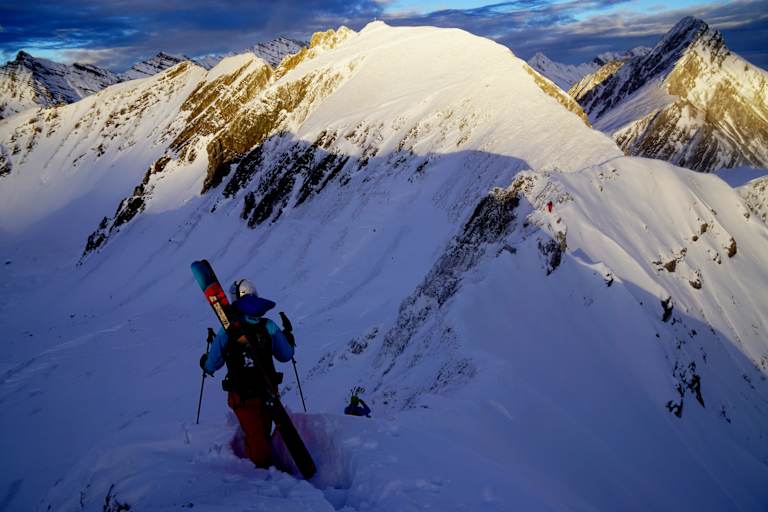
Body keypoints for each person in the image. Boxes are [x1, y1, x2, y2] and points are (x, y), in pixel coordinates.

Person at [199, 278, 294, 468]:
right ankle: (267, 470)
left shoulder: (227, 331)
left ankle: (259, 474)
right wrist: (289, 337)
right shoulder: (269, 326)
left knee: (256, 438)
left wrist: (205, 361)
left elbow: (212, 365)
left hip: (241, 396)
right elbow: (286, 355)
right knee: (262, 434)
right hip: (268, 393)